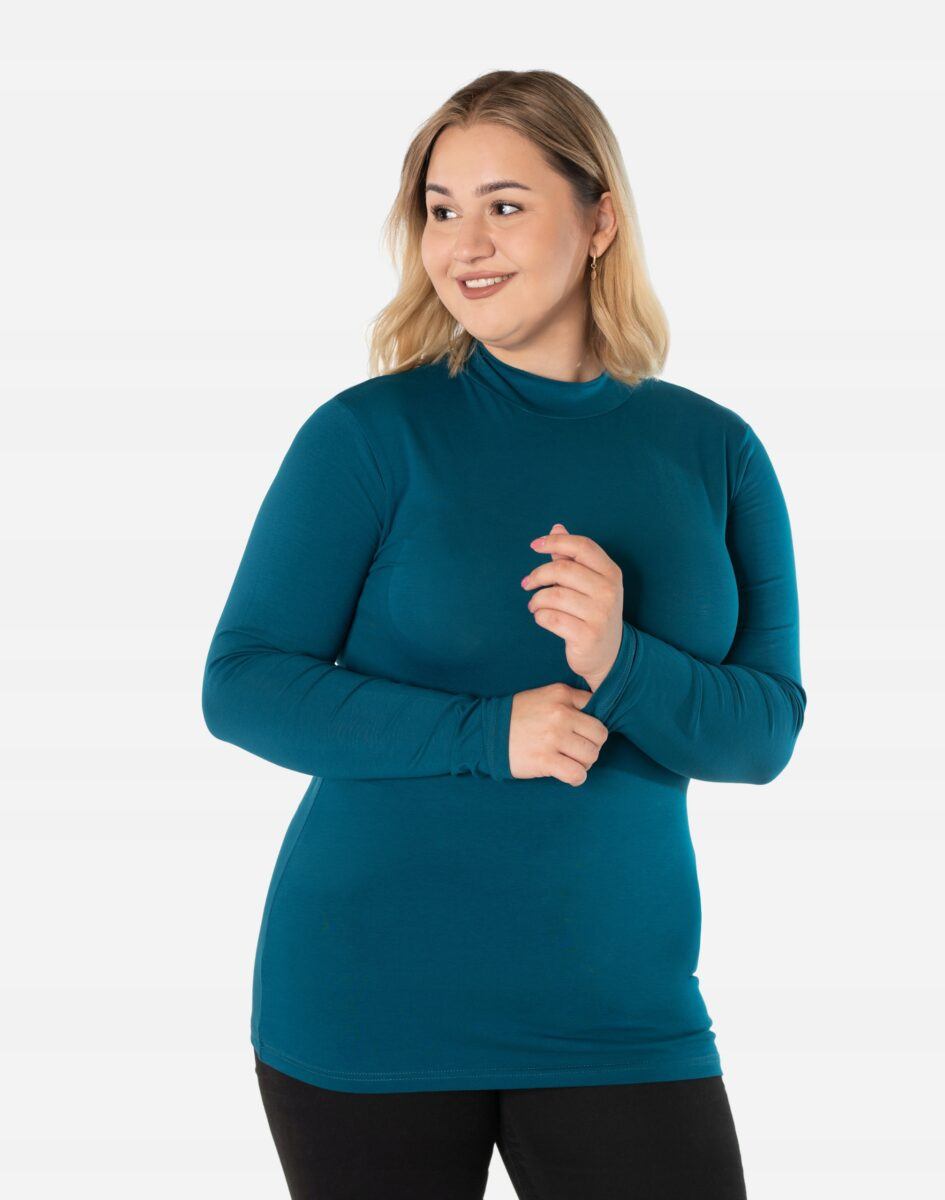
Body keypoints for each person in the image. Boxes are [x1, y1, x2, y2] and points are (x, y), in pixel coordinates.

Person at [202, 68, 806, 1199]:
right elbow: (241, 683)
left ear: (599, 220)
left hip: (621, 1008)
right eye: (441, 209)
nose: (464, 244)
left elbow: (763, 736)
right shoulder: (370, 435)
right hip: (371, 1000)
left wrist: (621, 659)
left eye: (505, 205)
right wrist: (488, 733)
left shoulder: (714, 450)